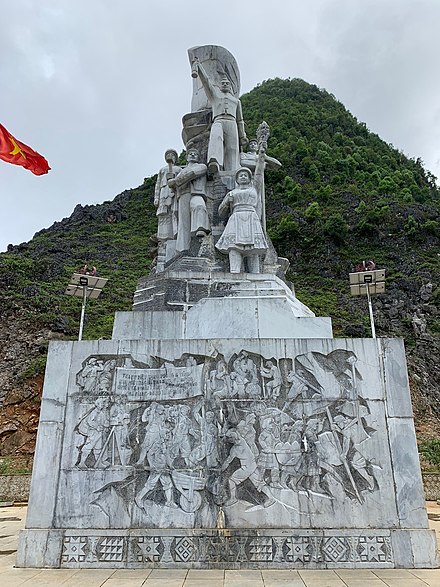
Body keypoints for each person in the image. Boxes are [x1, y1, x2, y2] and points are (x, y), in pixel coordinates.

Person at [216, 145, 268, 273]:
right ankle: (234, 272)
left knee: (254, 248)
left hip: (251, 216)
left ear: (250, 179)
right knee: (234, 247)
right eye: (241, 175)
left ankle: (256, 274)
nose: (243, 177)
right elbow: (220, 212)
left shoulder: (254, 189)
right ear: (237, 180)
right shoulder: (232, 193)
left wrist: (261, 155)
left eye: (246, 175)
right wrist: (227, 203)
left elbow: (259, 172)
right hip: (236, 217)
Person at [191, 59, 247, 174]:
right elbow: (206, 82)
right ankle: (214, 162)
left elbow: (240, 120)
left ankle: (232, 170)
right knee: (216, 137)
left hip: (232, 122)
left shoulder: (236, 101)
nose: (225, 84)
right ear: (220, 86)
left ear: (230, 86)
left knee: (232, 148)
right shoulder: (215, 96)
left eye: (227, 83)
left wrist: (242, 135)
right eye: (223, 83)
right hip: (218, 120)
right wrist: (199, 68)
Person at [168, 147, 210, 252]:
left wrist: (175, 181)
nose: (192, 155)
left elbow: (191, 174)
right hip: (183, 194)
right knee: (183, 222)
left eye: (195, 154)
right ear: (186, 157)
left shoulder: (201, 166)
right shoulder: (181, 171)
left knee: (199, 205)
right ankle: (183, 248)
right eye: (190, 154)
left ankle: (201, 229)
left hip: (196, 192)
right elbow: (173, 187)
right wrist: (171, 182)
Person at [154, 149, 181, 241]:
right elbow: (158, 184)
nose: (170, 156)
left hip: (174, 192)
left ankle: (175, 233)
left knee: (174, 213)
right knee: (163, 214)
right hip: (163, 192)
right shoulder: (162, 170)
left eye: (172, 155)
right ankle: (162, 237)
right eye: (168, 155)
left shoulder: (179, 169)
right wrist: (156, 198)